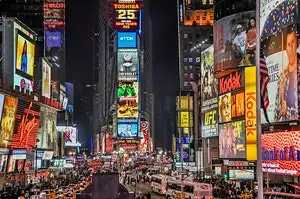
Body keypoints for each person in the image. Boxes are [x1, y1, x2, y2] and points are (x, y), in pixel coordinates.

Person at [274, 27, 298, 121]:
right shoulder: (282, 75)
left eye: (293, 42)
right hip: (287, 124)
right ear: (286, 48)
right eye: (288, 44)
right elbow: (277, 108)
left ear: (297, 44)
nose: (291, 47)